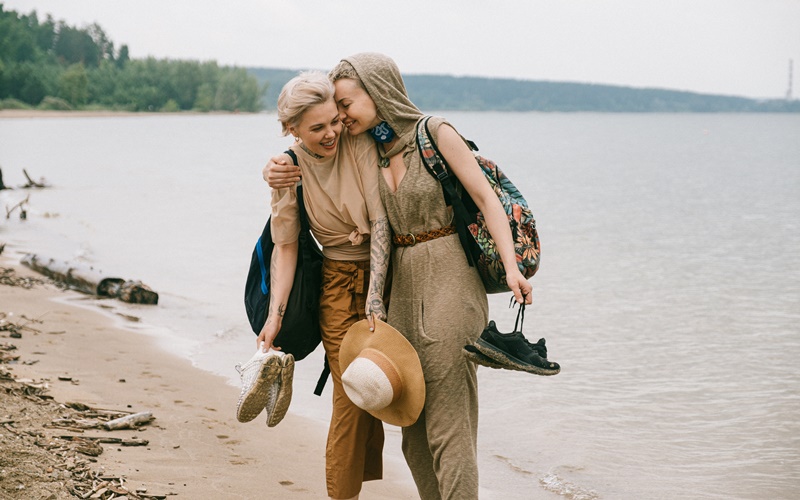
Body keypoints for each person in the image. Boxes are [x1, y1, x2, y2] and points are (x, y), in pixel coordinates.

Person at [265, 54, 537, 500]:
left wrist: (511, 268)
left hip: (450, 278)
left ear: (378, 92)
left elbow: (487, 199)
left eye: (345, 106)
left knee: (449, 424)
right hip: (401, 288)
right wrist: (273, 168)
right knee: (413, 430)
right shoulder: (371, 145)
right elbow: (309, 164)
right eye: (336, 110)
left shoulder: (435, 132)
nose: (340, 119)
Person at [259, 71, 391, 500]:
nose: (332, 132)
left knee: (394, 389)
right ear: (291, 129)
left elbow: (381, 221)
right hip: (337, 285)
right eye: (317, 128)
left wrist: (377, 297)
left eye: (334, 120)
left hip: (390, 277)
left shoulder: (358, 140)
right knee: (351, 392)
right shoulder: (287, 169)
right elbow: (286, 246)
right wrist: (274, 317)